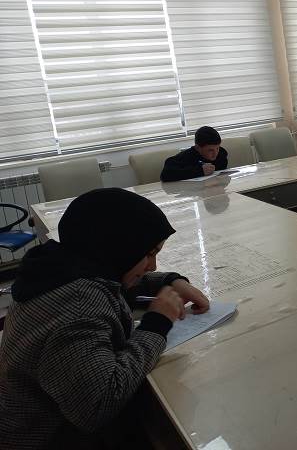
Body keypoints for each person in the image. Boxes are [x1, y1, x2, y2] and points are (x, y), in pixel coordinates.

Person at [0, 188, 209, 450]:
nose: (153, 266)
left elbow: (116, 285)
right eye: (148, 254)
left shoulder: (63, 266)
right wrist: (157, 324)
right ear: (119, 247)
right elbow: (99, 405)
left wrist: (170, 281)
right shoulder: (77, 306)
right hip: (49, 439)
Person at [161, 125, 228, 182]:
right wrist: (200, 171)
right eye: (210, 150)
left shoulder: (221, 154)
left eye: (217, 148)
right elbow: (165, 174)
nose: (215, 153)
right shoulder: (187, 156)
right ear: (198, 148)